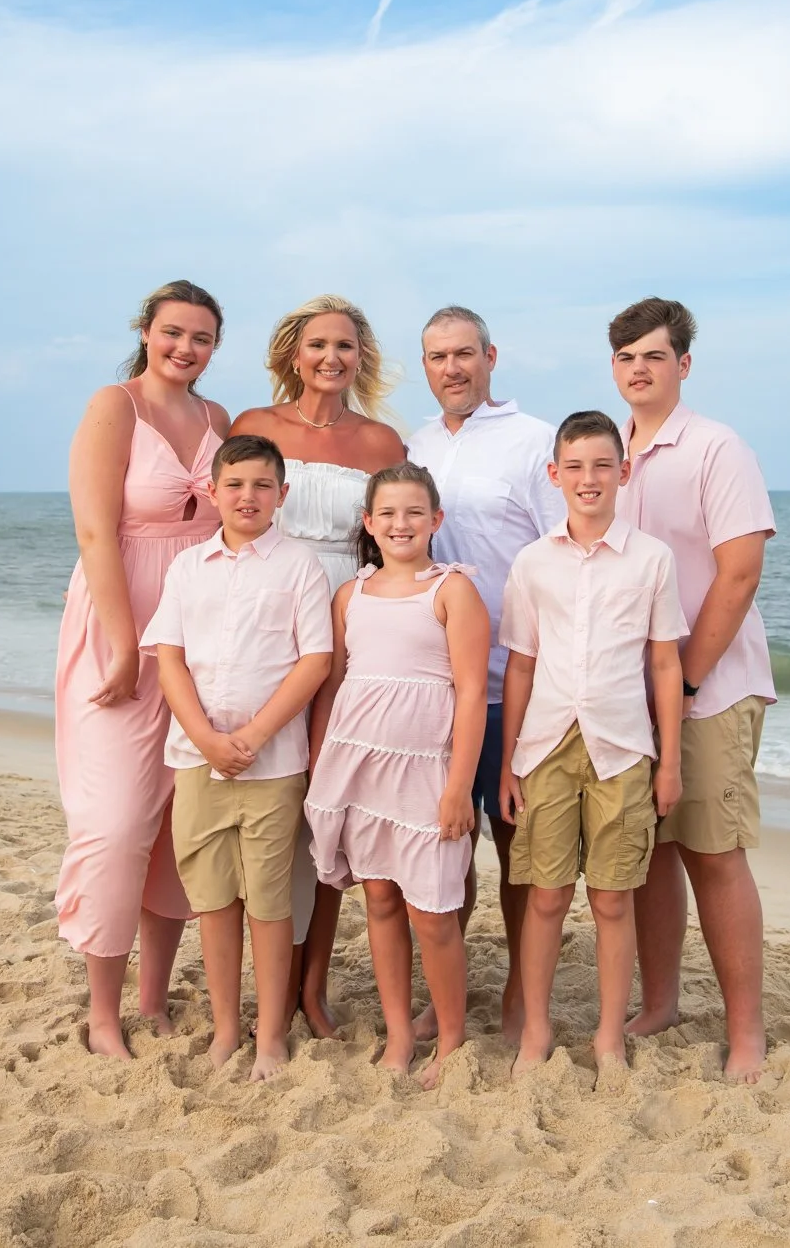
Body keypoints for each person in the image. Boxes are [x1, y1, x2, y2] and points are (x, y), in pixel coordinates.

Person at [55, 280, 230, 1059]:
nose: (185, 348)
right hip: (120, 619)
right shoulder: (113, 406)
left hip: (200, 633)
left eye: (200, 338)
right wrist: (127, 644)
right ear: (147, 332)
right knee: (116, 823)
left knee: (176, 825)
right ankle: (101, 1011)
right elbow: (95, 531)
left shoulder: (218, 419)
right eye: (173, 333)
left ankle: (153, 1000)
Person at [610, 297, 776, 1084]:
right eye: (625, 357)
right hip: (633, 693)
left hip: (710, 685)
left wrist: (690, 679)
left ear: (683, 363)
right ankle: (662, 1002)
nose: (638, 369)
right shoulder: (611, 453)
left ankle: (747, 1033)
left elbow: (740, 570)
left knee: (714, 853)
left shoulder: (716, 447)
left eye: (652, 355)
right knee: (650, 857)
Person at [229, 294, 405, 1037]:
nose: (330, 358)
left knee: (325, 808)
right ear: (292, 355)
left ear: (360, 357)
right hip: (264, 617)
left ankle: (313, 986)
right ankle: (263, 981)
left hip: (345, 626)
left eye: (345, 346)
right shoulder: (255, 427)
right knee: (266, 803)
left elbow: (389, 543)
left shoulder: (381, 440)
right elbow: (230, 519)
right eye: (317, 345)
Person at [499, 411, 685, 1080]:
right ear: (554, 475)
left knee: (612, 898)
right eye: (574, 466)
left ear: (623, 472)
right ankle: (537, 1029)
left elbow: (664, 665)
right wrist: (510, 762)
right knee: (546, 896)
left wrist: (670, 762)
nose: (588, 478)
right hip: (546, 747)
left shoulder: (651, 559)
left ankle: (609, 1036)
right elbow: (520, 663)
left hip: (624, 749)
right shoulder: (533, 562)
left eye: (602, 465)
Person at [141, 435, 332, 1079]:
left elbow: (316, 660)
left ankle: (271, 1032)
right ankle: (227, 1027)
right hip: (196, 760)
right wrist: (205, 738)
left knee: (270, 899)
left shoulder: (300, 565)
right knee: (215, 900)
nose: (247, 496)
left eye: (261, 485)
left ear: (282, 493)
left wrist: (251, 737)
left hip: (272, 764)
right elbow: (169, 656)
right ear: (214, 491)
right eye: (235, 484)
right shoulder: (188, 567)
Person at [407, 306, 565, 1042]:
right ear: (426, 365)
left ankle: (517, 996)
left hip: (516, 690)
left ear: (491, 356)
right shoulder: (418, 443)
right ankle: (452, 988)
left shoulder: (535, 443)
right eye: (438, 356)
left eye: (464, 353)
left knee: (519, 850)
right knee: (446, 846)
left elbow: (565, 556)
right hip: (435, 691)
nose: (452, 368)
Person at [306, 462, 489, 1088]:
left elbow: (470, 695)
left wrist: (459, 786)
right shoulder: (350, 595)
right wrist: (322, 770)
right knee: (379, 900)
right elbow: (333, 689)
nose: (400, 523)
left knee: (433, 912)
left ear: (436, 520)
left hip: (427, 775)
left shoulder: (453, 590)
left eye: (414, 512)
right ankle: (399, 1034)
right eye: (386, 513)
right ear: (367, 524)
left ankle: (452, 1037)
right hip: (360, 770)